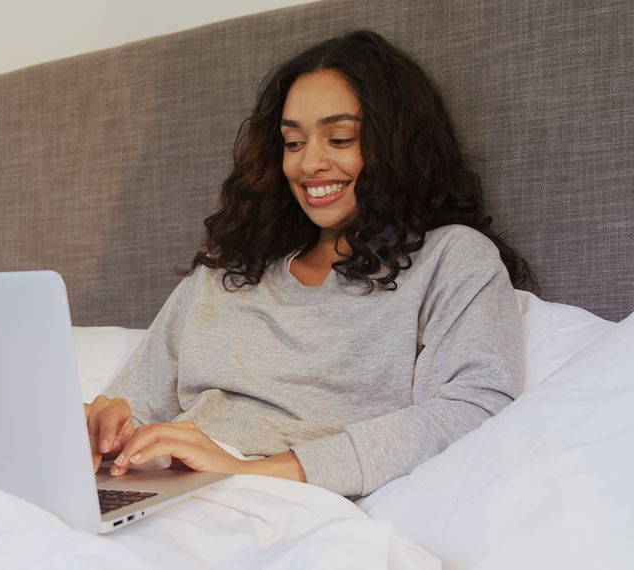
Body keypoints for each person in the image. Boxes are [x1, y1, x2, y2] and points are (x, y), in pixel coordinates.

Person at [84, 30, 533, 498]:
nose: (309, 164)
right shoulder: (226, 274)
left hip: (280, 501)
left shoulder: (450, 259)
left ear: (399, 144)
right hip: (165, 490)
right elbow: (135, 405)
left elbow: (472, 408)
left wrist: (246, 471)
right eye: (293, 143)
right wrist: (108, 430)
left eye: (340, 138)